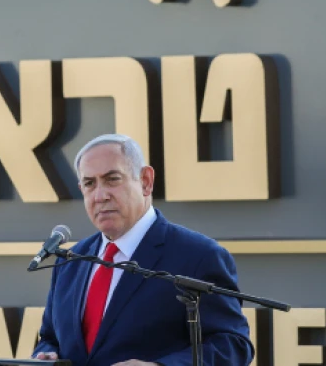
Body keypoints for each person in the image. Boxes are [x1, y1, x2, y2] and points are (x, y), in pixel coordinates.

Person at [32, 133, 254, 366]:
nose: (100, 196)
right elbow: (50, 338)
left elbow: (232, 345)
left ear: (146, 181)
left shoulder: (199, 255)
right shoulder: (71, 260)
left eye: (112, 179)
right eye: (89, 184)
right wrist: (46, 356)